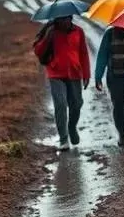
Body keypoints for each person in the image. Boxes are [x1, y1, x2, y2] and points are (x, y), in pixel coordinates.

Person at [33, 16, 91, 151]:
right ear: (57, 20)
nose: (65, 22)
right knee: (60, 104)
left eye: (67, 19)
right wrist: (48, 36)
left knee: (76, 104)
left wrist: (86, 74)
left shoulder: (78, 31)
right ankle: (63, 139)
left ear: (71, 18)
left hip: (75, 73)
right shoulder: (50, 31)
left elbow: (83, 53)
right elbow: (38, 51)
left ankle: (71, 127)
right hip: (55, 73)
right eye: (62, 20)